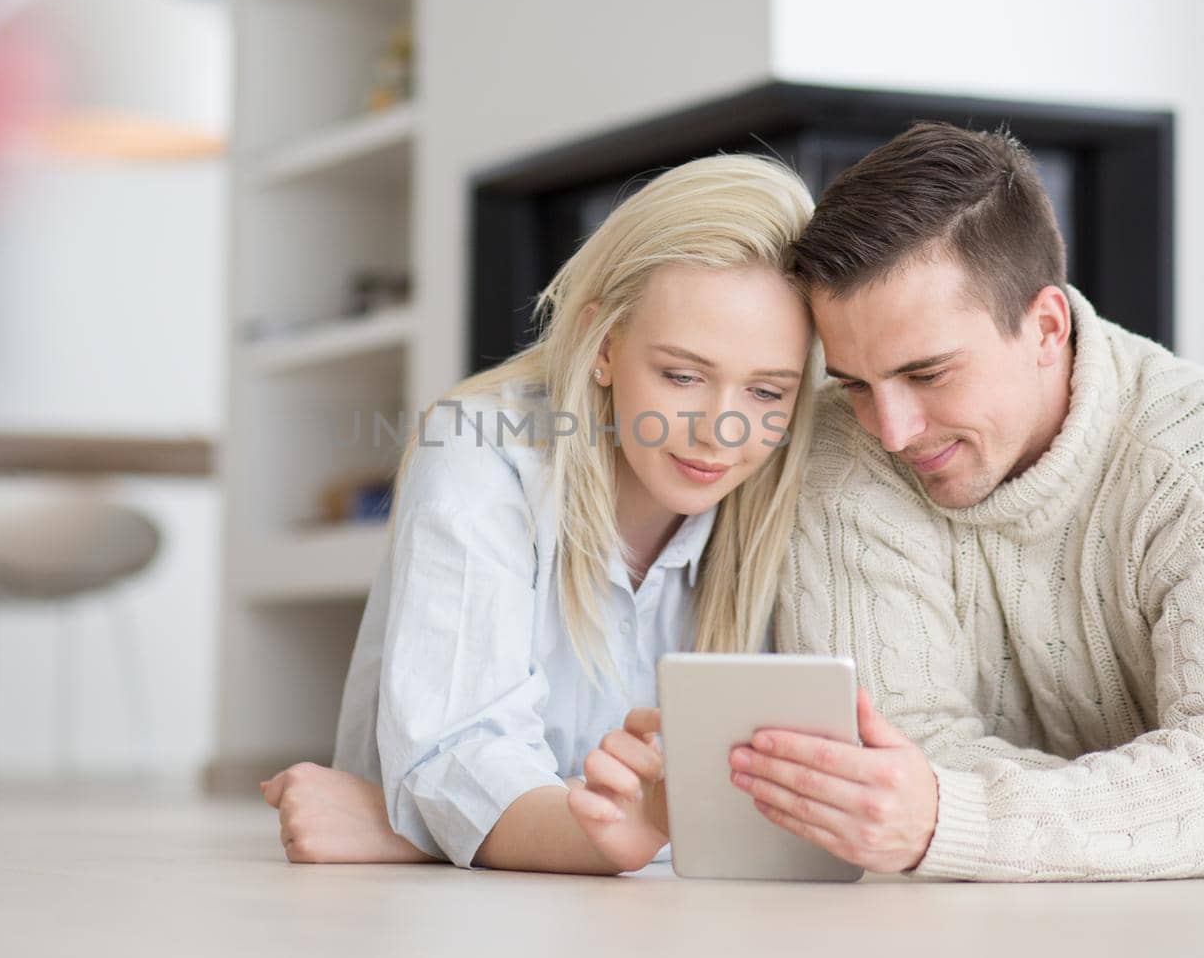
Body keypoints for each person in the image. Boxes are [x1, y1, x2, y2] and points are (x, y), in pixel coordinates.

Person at [578, 122, 1204, 880]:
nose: (891, 429)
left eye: (927, 373)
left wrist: (951, 818)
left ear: (1045, 325)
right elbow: (897, 756)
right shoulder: (844, 447)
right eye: (854, 381)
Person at [260, 154, 821, 873]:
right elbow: (458, 759)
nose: (721, 429)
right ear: (604, 344)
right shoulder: (480, 453)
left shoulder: (794, 491)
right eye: (682, 375)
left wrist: (412, 833)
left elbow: (794, 806)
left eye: (767, 392)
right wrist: (617, 832)